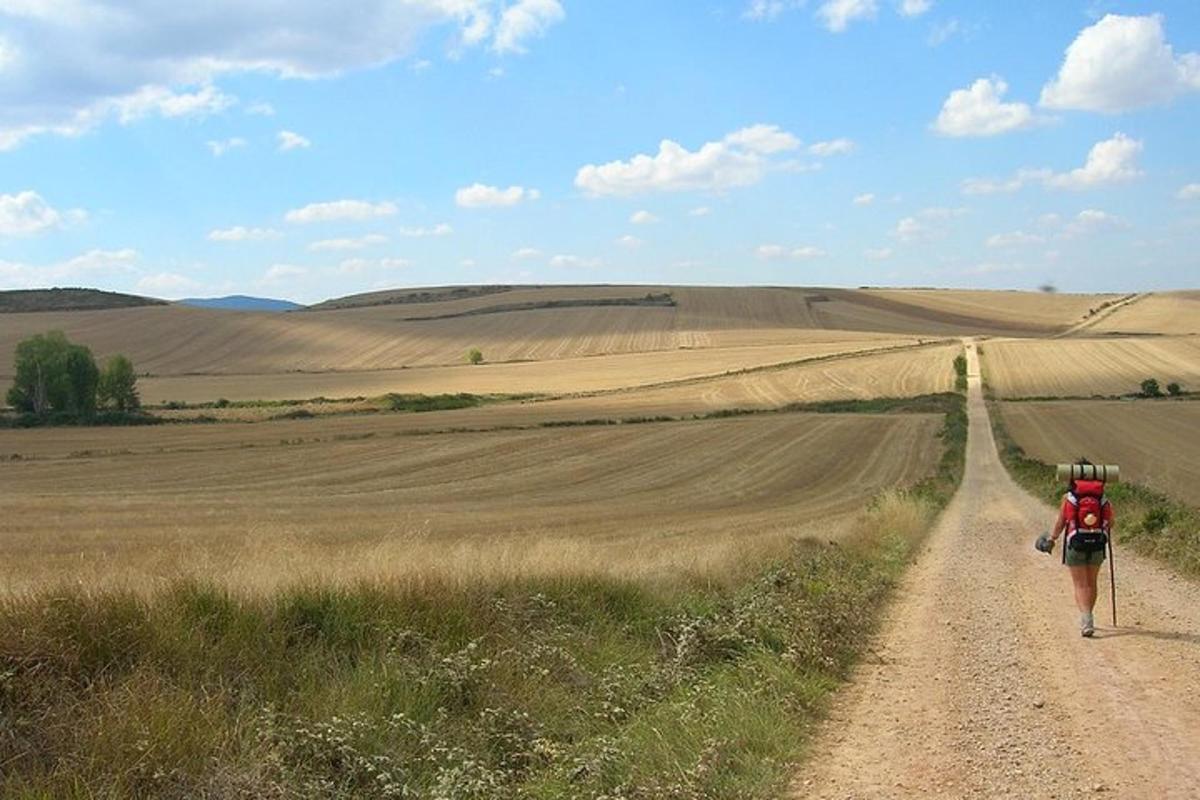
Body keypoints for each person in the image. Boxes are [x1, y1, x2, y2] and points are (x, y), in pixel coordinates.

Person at [1038, 465, 1114, 637]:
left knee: (1080, 584)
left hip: (1076, 544)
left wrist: (1052, 538)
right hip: (1097, 545)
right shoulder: (1103, 498)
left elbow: (1061, 522)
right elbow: (1111, 522)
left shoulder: (1069, 498)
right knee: (1091, 582)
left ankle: (1086, 619)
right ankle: (1088, 617)